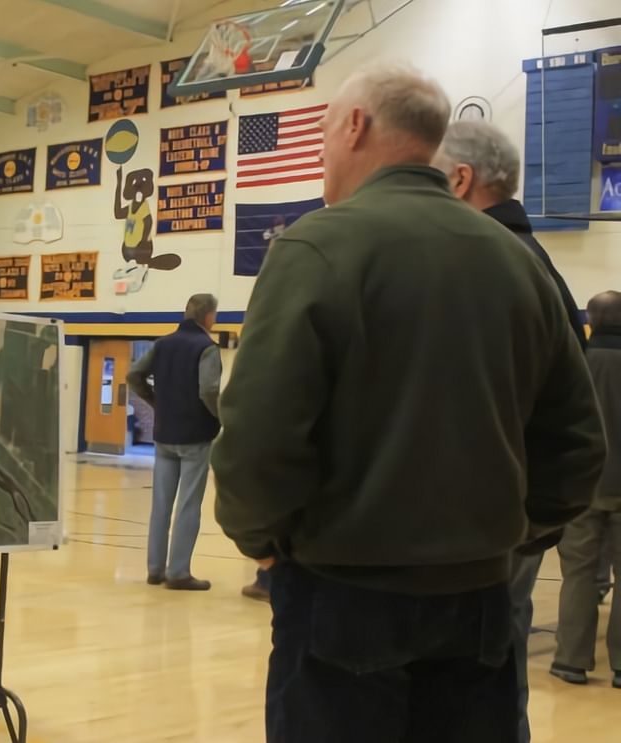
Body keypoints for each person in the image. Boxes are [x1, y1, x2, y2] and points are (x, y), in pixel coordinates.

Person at [212, 63, 605, 743]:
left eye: (327, 133)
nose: (323, 154)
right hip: (480, 597)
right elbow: (576, 446)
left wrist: (261, 541)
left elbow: (257, 440)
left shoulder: (316, 247)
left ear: (357, 126)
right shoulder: (521, 264)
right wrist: (511, 535)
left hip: (342, 594)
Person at [433, 119, 589, 743]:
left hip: (482, 528)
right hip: (508, 521)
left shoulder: (488, 264)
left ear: (461, 178)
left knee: (474, 683)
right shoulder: (539, 264)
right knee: (495, 670)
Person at [550, 291, 621, 689]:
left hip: (582, 488)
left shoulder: (575, 364)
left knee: (577, 575)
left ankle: (571, 661)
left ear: (591, 319)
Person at [127, 293, 222, 591]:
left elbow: (133, 375)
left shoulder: (162, 344)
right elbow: (208, 390)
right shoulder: (206, 348)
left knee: (161, 504)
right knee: (188, 505)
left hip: (164, 434)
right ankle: (178, 572)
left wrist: (156, 402)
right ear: (208, 317)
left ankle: (155, 569)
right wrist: (219, 417)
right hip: (195, 435)